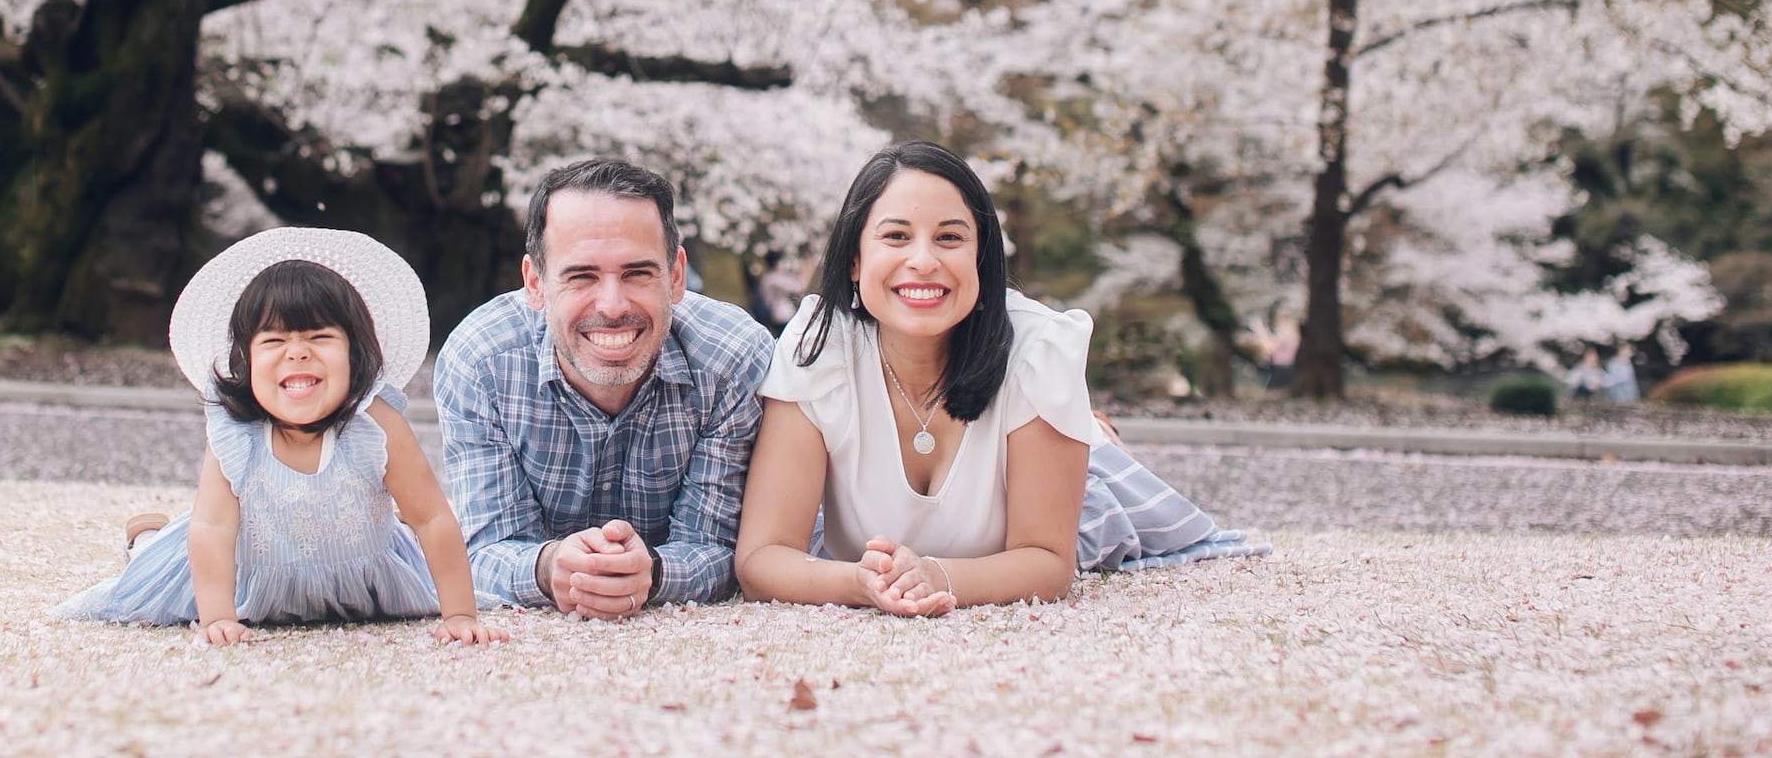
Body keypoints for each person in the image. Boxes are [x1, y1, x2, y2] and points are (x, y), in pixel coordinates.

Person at [734, 142, 1266, 616]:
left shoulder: (1039, 351)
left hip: (1061, 485)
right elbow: (762, 557)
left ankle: (1092, 438)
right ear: (854, 259)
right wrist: (857, 581)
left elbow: (1048, 562)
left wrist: (939, 577)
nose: (923, 261)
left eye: (950, 238)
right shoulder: (817, 348)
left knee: (1095, 500)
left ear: (981, 257)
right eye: (896, 236)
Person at [54, 229, 501, 645]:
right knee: (166, 557)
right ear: (244, 361)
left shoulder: (375, 423)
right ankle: (151, 536)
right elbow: (212, 527)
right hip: (247, 574)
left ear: (356, 354)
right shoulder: (236, 432)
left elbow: (432, 518)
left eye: (320, 336)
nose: (297, 351)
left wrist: (460, 614)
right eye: (273, 341)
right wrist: (217, 618)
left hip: (363, 575)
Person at [435, 157, 773, 617]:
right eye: (582, 276)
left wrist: (652, 570)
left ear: (675, 277)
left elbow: (718, 544)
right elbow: (483, 548)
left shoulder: (733, 358)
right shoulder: (481, 362)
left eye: (637, 273)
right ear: (535, 283)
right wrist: (548, 565)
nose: (612, 306)